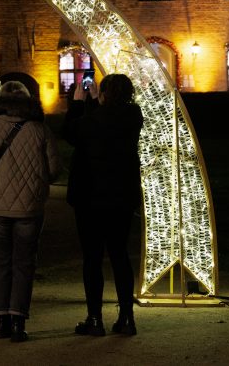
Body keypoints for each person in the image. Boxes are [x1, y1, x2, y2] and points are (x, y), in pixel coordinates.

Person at [0, 81, 61, 342]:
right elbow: (54, 170)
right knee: (24, 262)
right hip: (29, 207)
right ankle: (19, 320)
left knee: (1, 261)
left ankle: (2, 321)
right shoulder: (39, 130)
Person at [64, 74, 144, 337]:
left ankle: (94, 318)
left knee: (92, 258)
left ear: (104, 94)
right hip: (121, 197)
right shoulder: (133, 117)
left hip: (90, 199)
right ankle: (127, 318)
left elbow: (71, 132)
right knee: (120, 256)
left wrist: (77, 103)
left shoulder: (91, 121)